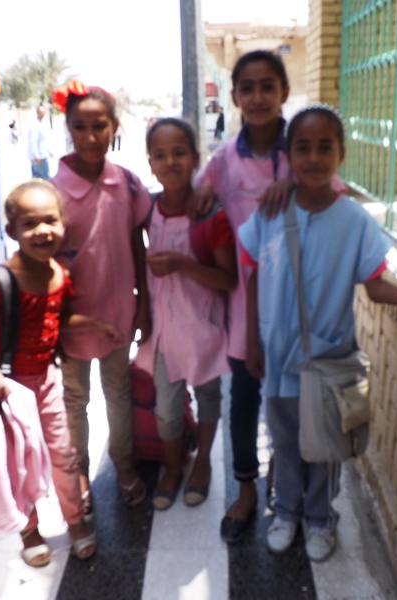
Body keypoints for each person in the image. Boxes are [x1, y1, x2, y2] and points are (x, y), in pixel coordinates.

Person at [239, 104, 397, 561]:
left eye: (324, 147)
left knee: (325, 445)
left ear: (341, 155)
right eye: (303, 148)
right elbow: (252, 275)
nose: (313, 158)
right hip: (278, 357)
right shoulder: (271, 211)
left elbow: (375, 285)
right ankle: (285, 512)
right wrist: (251, 340)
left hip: (329, 360)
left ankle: (319, 519)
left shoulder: (354, 221)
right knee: (285, 441)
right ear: (289, 155)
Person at [194, 49, 346, 545]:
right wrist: (198, 197)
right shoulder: (225, 160)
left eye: (267, 87)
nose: (257, 97)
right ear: (234, 96)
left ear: (284, 91)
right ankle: (244, 491)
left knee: (296, 403)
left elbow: (335, 198)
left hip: (301, 307)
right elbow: (198, 196)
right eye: (247, 88)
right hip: (246, 302)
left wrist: (294, 182)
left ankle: (287, 487)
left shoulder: (303, 150)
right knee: (244, 401)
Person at [0, 180, 119, 566]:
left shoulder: (58, 274)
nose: (42, 231)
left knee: (63, 455)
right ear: (12, 231)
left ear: (63, 223)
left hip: (46, 383)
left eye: (50, 221)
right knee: (17, 464)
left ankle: (75, 520)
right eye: (30, 223)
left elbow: (54, 319)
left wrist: (94, 325)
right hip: (7, 392)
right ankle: (29, 530)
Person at [50, 80, 152, 512]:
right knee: (75, 400)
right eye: (80, 127)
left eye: (99, 126)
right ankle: (79, 472)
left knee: (117, 392)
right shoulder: (53, 191)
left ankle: (123, 465)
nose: (91, 137)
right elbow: (42, 263)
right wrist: (49, 325)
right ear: (68, 128)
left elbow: (137, 244)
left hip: (119, 315)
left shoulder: (126, 184)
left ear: (114, 127)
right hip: (71, 320)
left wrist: (143, 302)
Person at [134, 118, 237, 510]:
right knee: (167, 409)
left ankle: (203, 464)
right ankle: (174, 467)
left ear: (195, 158)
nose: (170, 162)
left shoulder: (212, 215)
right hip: (165, 331)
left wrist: (182, 265)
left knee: (208, 396)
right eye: (160, 155)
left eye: (179, 153)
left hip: (204, 326)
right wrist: (142, 317)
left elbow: (227, 278)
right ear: (150, 163)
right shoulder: (148, 211)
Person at [28, 106, 51, 179]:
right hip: (39, 157)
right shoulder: (35, 125)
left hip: (42, 154)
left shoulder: (40, 124)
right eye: (41, 112)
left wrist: (49, 151)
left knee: (37, 178)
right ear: (38, 113)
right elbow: (33, 141)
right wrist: (36, 155)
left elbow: (43, 140)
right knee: (45, 178)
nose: (43, 114)